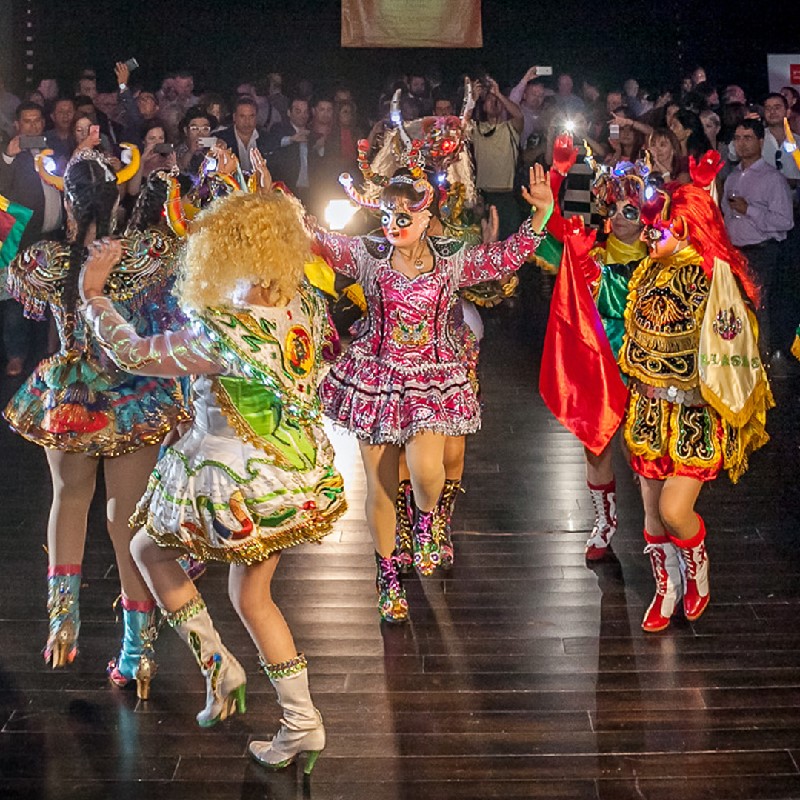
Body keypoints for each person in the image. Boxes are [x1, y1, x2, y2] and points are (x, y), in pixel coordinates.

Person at [79, 183, 346, 772]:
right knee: (251, 596)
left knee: (148, 547)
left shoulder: (224, 331)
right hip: (289, 470)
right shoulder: (303, 305)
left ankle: (221, 669)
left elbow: (135, 353)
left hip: (232, 472)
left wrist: (95, 297)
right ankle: (299, 720)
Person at [317, 161, 553, 621]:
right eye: (386, 215)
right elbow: (313, 239)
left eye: (405, 216)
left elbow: (503, 258)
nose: (393, 225)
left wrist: (540, 217)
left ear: (427, 217)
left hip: (433, 376)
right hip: (377, 376)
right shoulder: (366, 253)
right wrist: (271, 201)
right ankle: (386, 574)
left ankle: (427, 521)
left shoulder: (452, 257)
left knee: (428, 473)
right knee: (381, 486)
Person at [2, 151, 190, 684]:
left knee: (68, 501)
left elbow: (9, 264)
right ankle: (139, 652)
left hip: (69, 398)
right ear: (116, 199)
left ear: (67, 199)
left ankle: (63, 624)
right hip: (133, 392)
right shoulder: (145, 253)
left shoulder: (44, 260)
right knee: (124, 523)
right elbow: (174, 300)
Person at [584, 156, 772, 630]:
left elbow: (732, 350)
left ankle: (697, 569)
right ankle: (664, 588)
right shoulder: (646, 272)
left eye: (659, 229)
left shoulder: (714, 280)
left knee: (674, 510)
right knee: (651, 515)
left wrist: (704, 190)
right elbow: (628, 332)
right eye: (648, 229)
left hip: (693, 415)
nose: (648, 236)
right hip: (648, 410)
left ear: (687, 230)